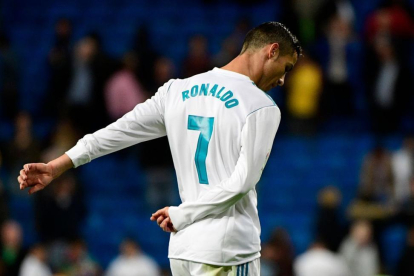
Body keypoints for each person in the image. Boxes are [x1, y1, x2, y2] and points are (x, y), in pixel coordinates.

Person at [17, 22, 301, 275]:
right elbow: (242, 183)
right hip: (227, 250)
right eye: (286, 68)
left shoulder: (176, 90)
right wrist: (182, 213)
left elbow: (119, 131)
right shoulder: (260, 106)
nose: (282, 80)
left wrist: (60, 164)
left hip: (183, 250)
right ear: (272, 51)